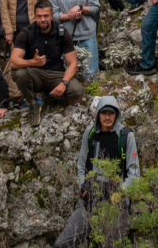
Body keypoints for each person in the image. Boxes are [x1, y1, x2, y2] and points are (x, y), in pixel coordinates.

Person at [54, 96, 140, 248]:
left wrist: (119, 194)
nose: (107, 117)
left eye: (111, 113)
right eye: (104, 113)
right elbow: (81, 166)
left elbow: (134, 173)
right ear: (98, 114)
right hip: (89, 200)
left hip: (115, 206)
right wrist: (83, 189)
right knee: (61, 245)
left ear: (117, 114)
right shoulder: (90, 132)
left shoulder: (126, 136)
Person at [10, 1, 85, 127]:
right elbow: (13, 62)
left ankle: (50, 95)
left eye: (45, 16)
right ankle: (32, 104)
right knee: (19, 72)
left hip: (56, 74)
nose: (42, 19)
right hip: (35, 75)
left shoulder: (62, 32)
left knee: (76, 90)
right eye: (39, 16)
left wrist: (64, 83)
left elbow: (73, 64)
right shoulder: (26, 33)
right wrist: (32, 62)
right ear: (35, 16)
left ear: (52, 16)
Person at [0, 0, 52, 99]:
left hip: (35, 28)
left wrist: (44, 23)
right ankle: (20, 94)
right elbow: (3, 8)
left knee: (38, 58)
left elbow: (47, 0)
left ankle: (42, 91)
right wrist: (8, 31)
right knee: (17, 63)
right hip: (16, 31)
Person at [50, 0, 101, 79]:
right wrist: (69, 16)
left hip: (87, 35)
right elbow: (53, 15)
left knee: (90, 73)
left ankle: (92, 97)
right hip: (65, 37)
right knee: (66, 72)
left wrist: (81, 8)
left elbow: (95, 7)